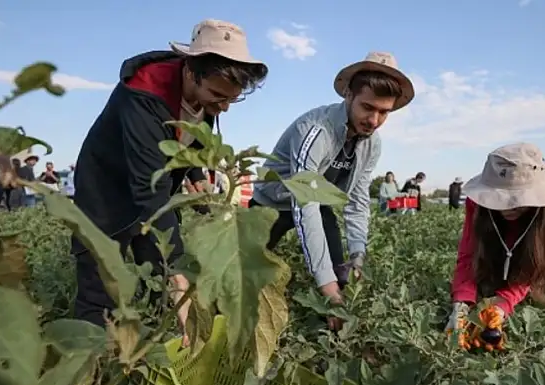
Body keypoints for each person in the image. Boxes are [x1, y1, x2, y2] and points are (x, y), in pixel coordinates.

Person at [71, 19, 268, 329]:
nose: (226, 107)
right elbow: (148, 187)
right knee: (102, 283)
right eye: (219, 95)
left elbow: (186, 147)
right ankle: (91, 362)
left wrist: (201, 183)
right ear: (191, 70)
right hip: (106, 191)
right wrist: (177, 267)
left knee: (161, 279)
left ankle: (156, 348)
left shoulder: (206, 101)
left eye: (233, 98)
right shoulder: (144, 94)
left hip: (153, 192)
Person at [250, 52, 414, 327]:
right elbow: (306, 202)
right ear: (349, 95)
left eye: (383, 112)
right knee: (246, 270)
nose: (374, 120)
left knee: (342, 277)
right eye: (367, 107)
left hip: (319, 205)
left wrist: (357, 254)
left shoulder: (372, 143)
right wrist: (325, 283)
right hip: (271, 204)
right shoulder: (315, 130)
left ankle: (333, 330)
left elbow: (359, 198)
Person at [445, 143, 545, 344]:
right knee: (484, 311)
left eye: (516, 199)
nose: (507, 206)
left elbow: (537, 260)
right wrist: (461, 304)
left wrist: (504, 301)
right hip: (501, 243)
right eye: (499, 198)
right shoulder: (478, 204)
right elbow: (468, 253)